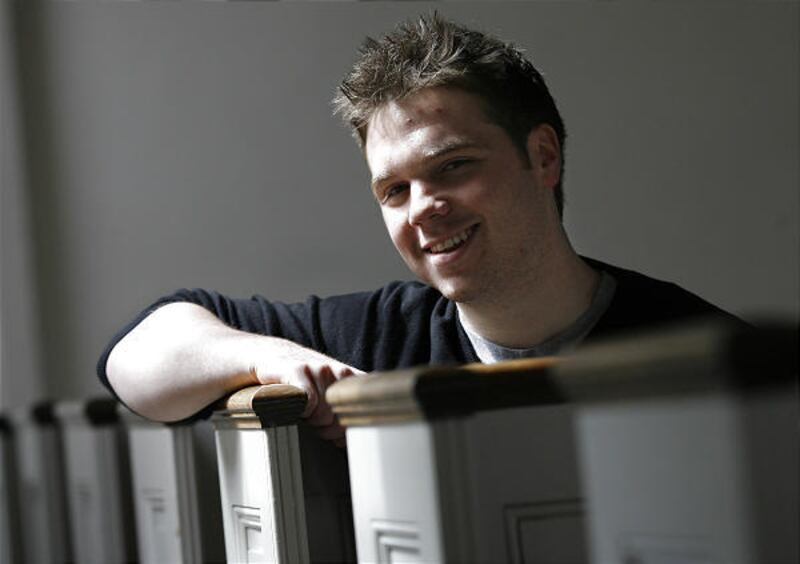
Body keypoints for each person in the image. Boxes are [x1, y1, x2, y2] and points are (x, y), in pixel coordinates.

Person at [98, 13, 737, 444]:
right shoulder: (366, 345)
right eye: (394, 190)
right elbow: (135, 361)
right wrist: (268, 355)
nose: (423, 208)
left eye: (453, 166)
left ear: (543, 156)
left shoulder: (706, 350)